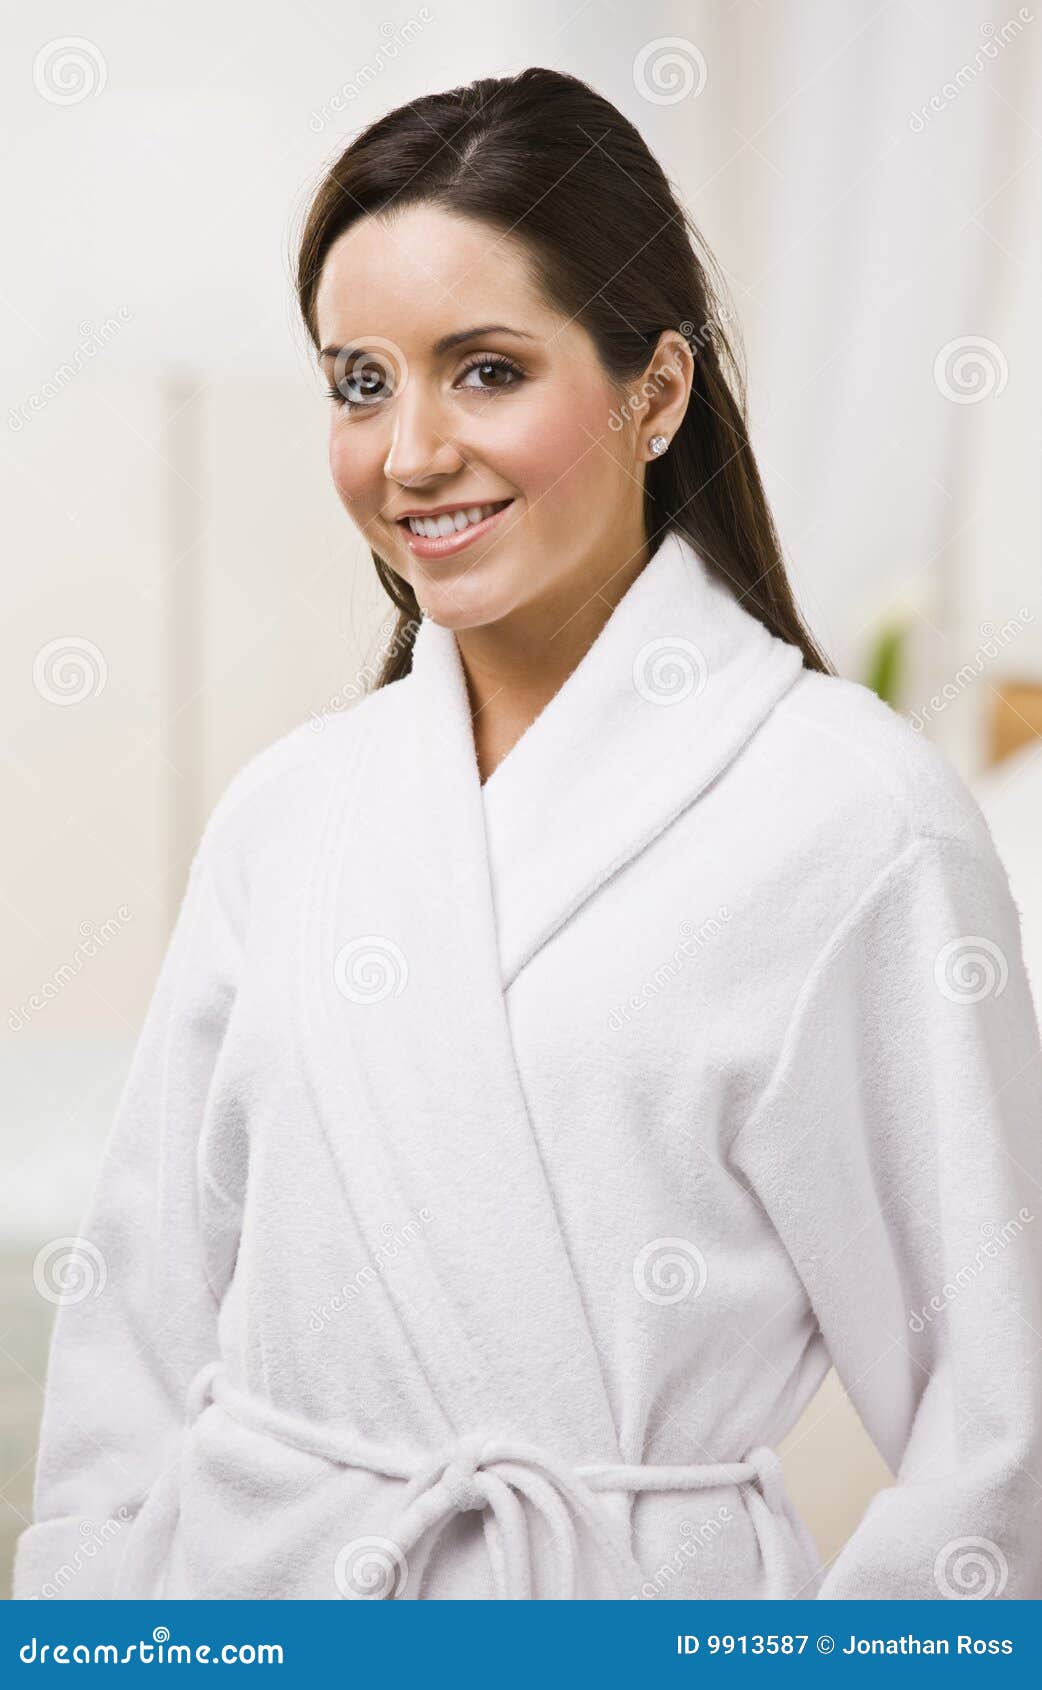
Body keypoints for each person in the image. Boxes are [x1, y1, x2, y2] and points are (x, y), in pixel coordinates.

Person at [15, 66, 1041, 1602]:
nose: (410, 451)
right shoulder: (290, 813)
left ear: (656, 391)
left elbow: (996, 1422)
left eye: (484, 370)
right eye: (360, 381)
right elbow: (135, 1339)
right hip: (256, 1603)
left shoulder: (857, 818)